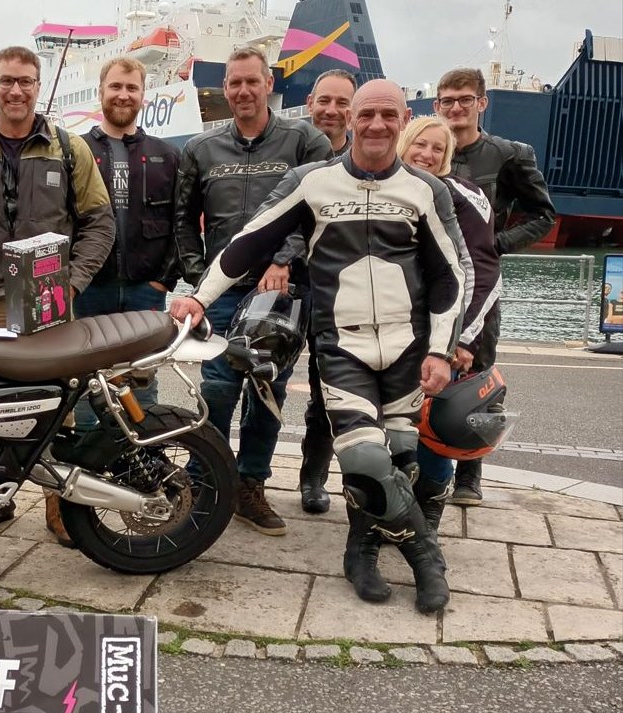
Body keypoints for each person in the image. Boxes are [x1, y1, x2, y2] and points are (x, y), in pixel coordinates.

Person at [170, 79, 467, 615]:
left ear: (404, 120)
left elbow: (453, 274)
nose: (377, 125)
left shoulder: (427, 190)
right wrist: (198, 297)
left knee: (400, 460)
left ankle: (362, 550)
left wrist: (442, 349)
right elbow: (248, 243)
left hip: (408, 347)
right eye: (367, 114)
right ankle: (427, 556)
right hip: (342, 348)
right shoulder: (312, 181)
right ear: (350, 118)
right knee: (367, 456)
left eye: (388, 115)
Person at [0, 45, 114, 545]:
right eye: (6, 80)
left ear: (37, 87)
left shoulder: (68, 148)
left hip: (47, 304)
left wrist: (72, 281)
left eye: (25, 81)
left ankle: (58, 508)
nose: (15, 90)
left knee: (53, 411)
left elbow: (99, 223)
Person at [174, 47, 331, 536]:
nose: (243, 91)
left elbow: (316, 208)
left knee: (268, 392)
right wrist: (201, 275)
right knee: (217, 391)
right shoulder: (202, 149)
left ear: (269, 84)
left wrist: (284, 258)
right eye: (234, 83)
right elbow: (182, 219)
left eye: (252, 82)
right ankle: (206, 481)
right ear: (225, 89)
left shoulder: (305, 139)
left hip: (281, 290)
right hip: (222, 291)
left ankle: (250, 486)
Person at [434, 67, 556, 506]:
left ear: (482, 103)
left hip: (481, 286)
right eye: (447, 100)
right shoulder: (428, 151)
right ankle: (427, 463)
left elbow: (544, 215)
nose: (456, 108)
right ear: (437, 106)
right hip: (433, 281)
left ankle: (469, 474)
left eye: (465, 99)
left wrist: (496, 245)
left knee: (478, 376)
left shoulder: (509, 154)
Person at [398, 116, 501, 535]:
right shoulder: (390, 188)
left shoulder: (463, 194)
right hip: (393, 332)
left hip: (440, 334)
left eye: (437, 149)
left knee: (433, 426)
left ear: (448, 156)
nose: (426, 154)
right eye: (419, 145)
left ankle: (429, 517)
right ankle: (392, 511)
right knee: (393, 427)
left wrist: (461, 338)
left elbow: (484, 272)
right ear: (404, 145)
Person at [74, 55, 180, 425]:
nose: (123, 95)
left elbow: (179, 224)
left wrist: (163, 280)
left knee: (143, 376)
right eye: (115, 86)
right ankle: (88, 467)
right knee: (89, 376)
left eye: (131, 87)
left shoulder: (168, 156)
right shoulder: (76, 151)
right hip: (90, 287)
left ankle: (144, 462)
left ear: (143, 95)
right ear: (101, 92)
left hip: (145, 288)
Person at [297, 68, 357, 513]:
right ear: (310, 103)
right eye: (324, 101)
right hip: (283, 284)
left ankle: (313, 477)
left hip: (338, 293)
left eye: (341, 103)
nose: (331, 111)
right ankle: (241, 479)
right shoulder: (292, 154)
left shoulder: (367, 164)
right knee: (261, 385)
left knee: (329, 390)